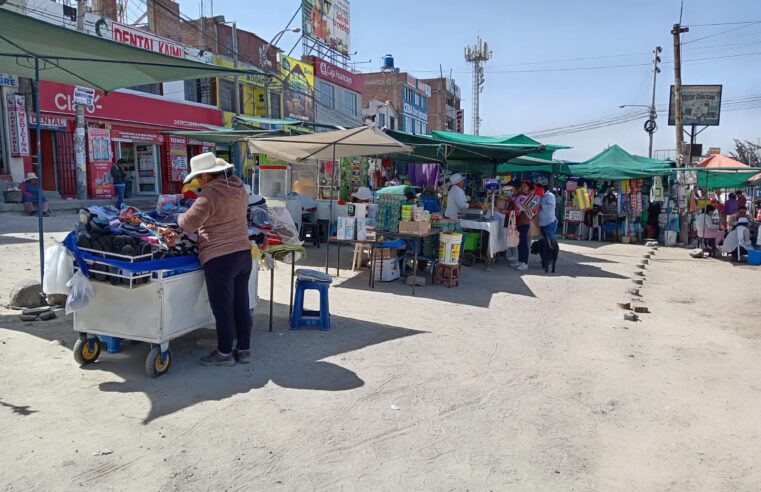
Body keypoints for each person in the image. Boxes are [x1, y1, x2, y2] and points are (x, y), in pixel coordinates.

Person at [178, 153, 252, 366]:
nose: (198, 182)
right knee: (241, 304)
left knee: (223, 308)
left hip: (220, 257)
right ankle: (244, 350)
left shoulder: (210, 194)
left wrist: (178, 217)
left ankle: (224, 354)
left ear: (208, 176)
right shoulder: (239, 188)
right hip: (243, 253)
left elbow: (189, 223)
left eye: (199, 177)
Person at [511, 180, 533, 271]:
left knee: (523, 243)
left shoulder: (529, 197)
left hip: (525, 222)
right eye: (522, 186)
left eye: (525, 186)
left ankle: (524, 263)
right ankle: (520, 261)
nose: (523, 188)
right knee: (520, 243)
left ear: (529, 187)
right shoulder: (520, 196)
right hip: (519, 221)